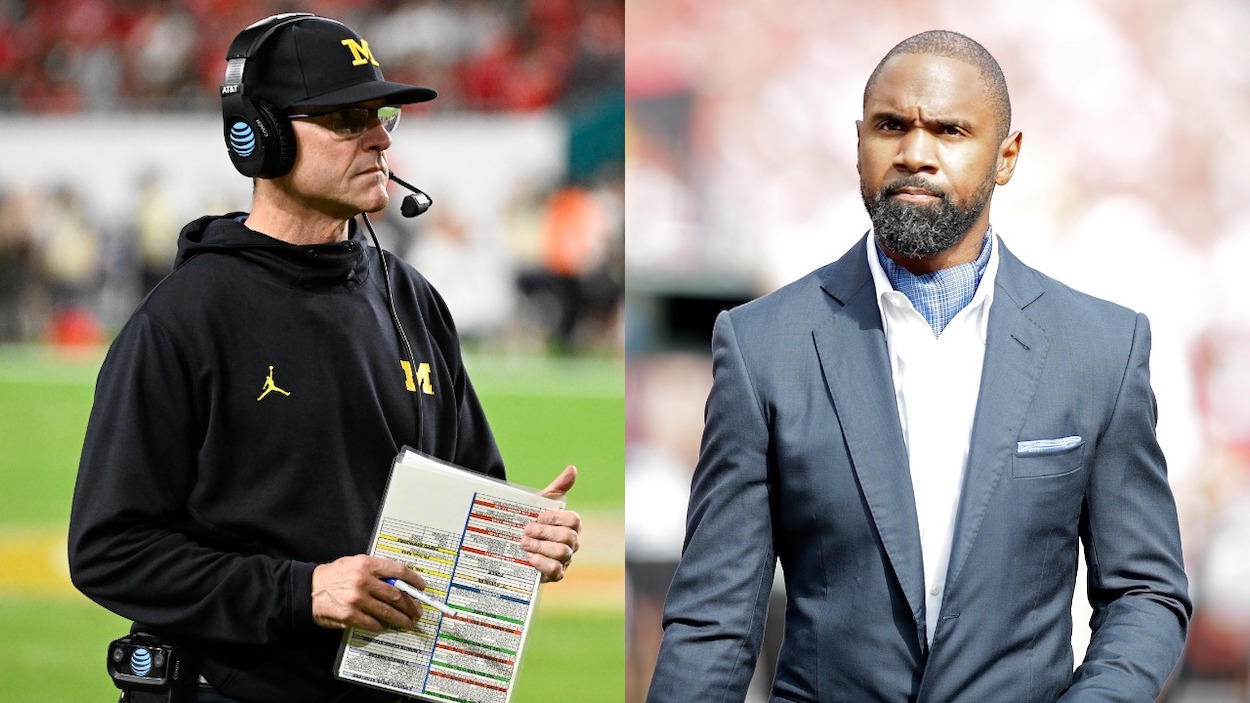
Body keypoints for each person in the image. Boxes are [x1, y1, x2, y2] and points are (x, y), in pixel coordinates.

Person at [647, 30, 1190, 703]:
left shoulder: (1101, 348)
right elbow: (713, 623)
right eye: (891, 126)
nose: (915, 153)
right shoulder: (763, 345)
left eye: (950, 130)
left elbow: (1145, 591)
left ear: (1007, 156)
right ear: (858, 143)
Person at [68, 13, 581, 703]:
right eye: (346, 119)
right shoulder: (184, 319)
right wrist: (301, 589)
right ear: (260, 137)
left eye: (383, 115)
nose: (380, 138)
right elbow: (110, 548)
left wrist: (514, 541)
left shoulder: (412, 300)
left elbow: (467, 494)